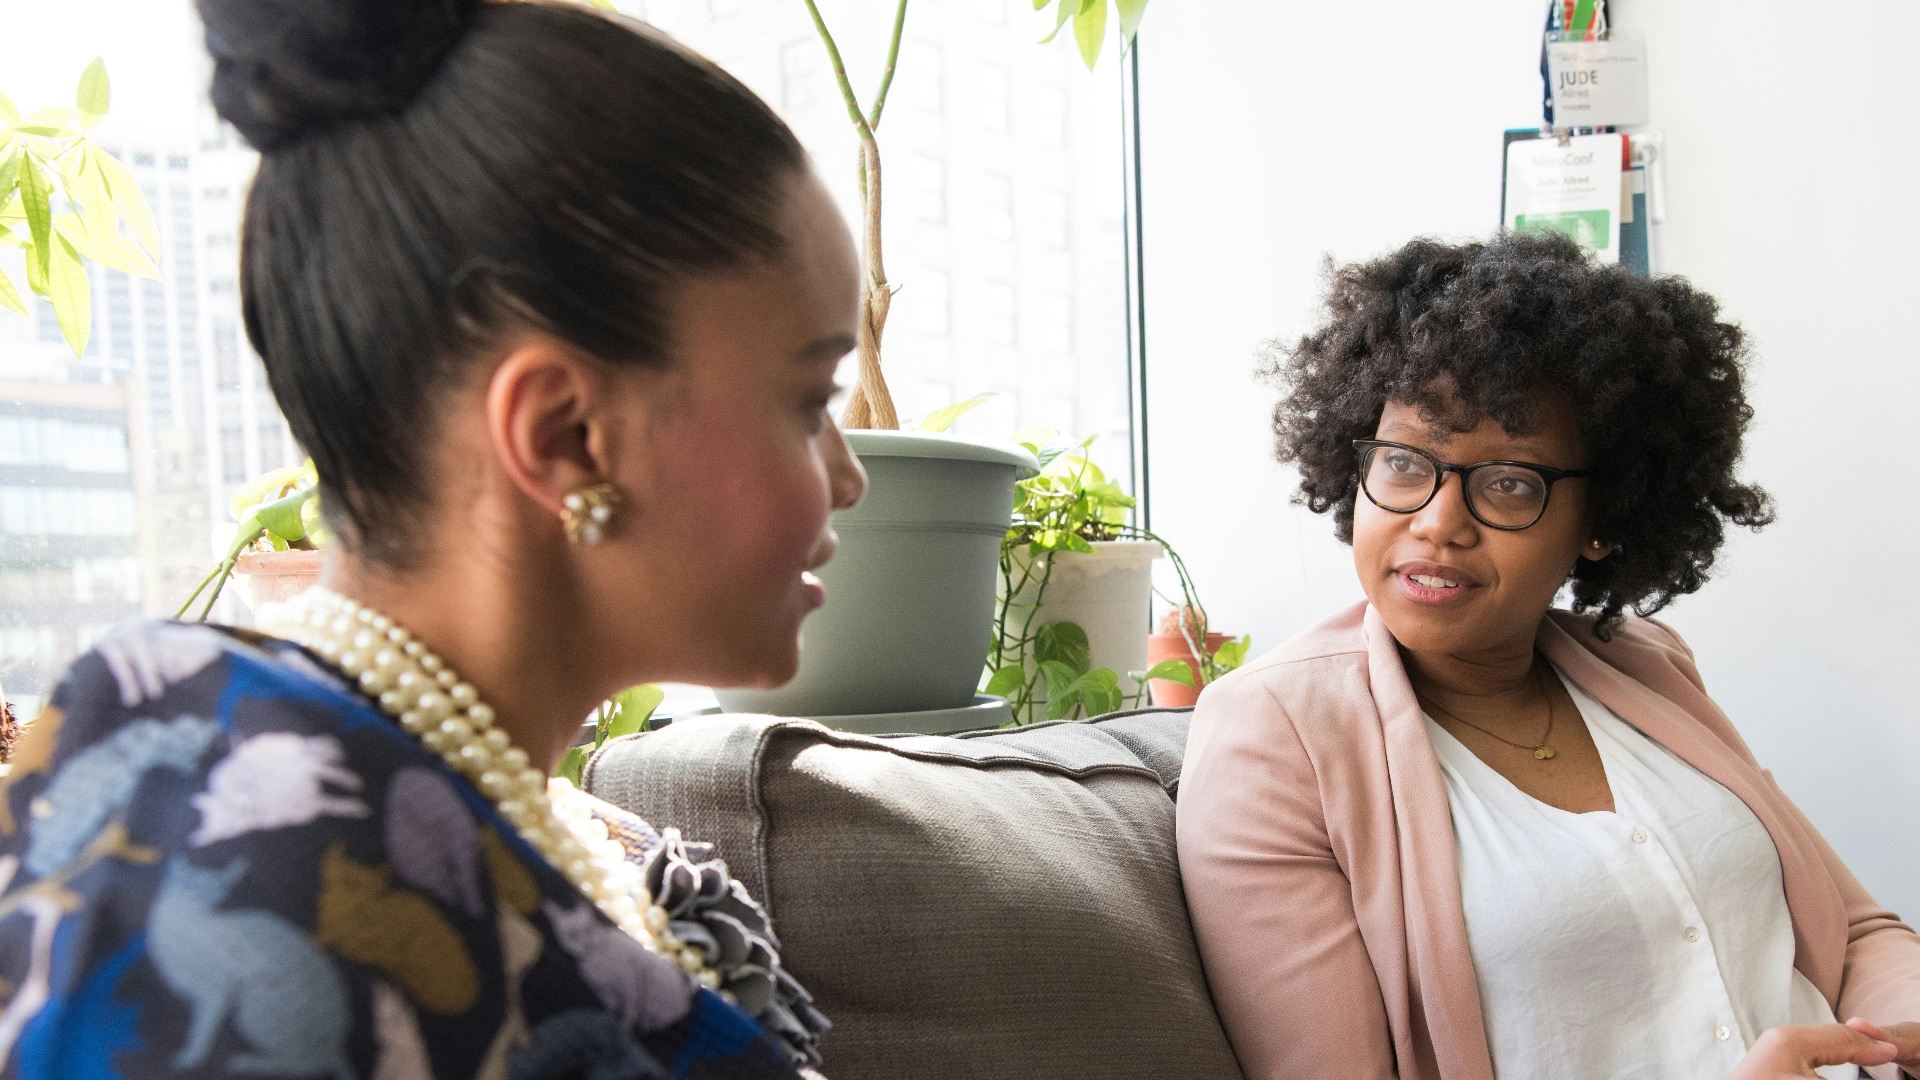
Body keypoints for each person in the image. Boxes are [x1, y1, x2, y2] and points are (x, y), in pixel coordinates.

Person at [0, 0, 865, 1076]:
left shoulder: (572, 853)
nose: (849, 478)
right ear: (564, 435)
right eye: (811, 401)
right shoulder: (271, 868)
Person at [1176, 232, 1920, 1080]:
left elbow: (1856, 935)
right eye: (1405, 462)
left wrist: (1902, 1032)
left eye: (1509, 482)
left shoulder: (1646, 663)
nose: (1437, 523)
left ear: (1602, 520)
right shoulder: (1271, 739)